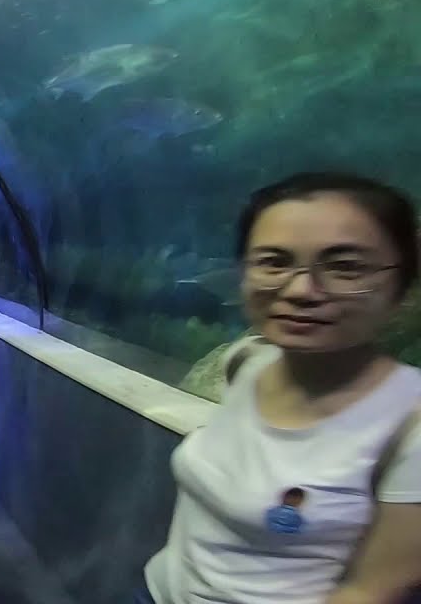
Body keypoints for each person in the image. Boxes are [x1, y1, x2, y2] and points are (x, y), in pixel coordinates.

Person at [140, 172, 421, 604]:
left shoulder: (411, 423)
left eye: (345, 267)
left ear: (402, 286)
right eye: (273, 262)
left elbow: (370, 592)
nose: (301, 290)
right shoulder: (248, 362)